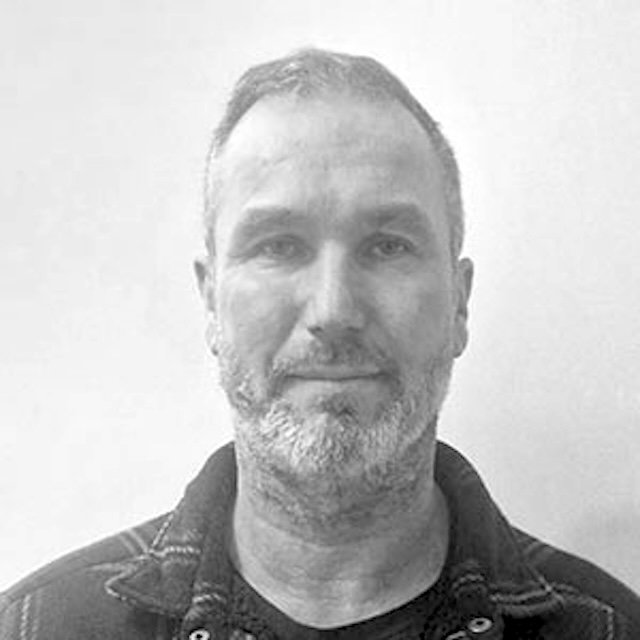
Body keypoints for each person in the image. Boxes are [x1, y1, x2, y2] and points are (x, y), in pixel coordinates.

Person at [1, 48, 639, 640]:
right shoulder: (39, 627)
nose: (333, 311)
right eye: (279, 246)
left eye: (387, 245)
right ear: (211, 301)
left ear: (459, 303)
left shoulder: (609, 628)